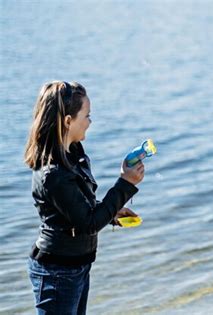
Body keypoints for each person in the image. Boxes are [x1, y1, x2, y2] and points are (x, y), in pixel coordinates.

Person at [24, 81, 145, 314]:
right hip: (56, 271)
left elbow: (80, 211)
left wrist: (111, 212)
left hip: (77, 265)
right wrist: (125, 184)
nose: (90, 121)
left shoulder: (74, 154)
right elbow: (89, 224)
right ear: (68, 121)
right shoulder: (54, 173)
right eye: (87, 115)